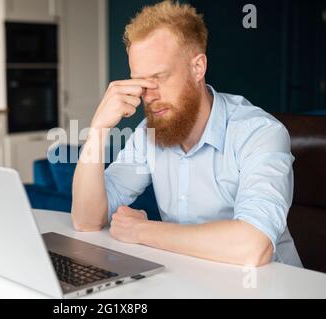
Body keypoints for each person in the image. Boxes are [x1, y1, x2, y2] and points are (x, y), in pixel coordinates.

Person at [71, 0, 302, 267]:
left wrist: (142, 231)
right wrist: (98, 130)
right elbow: (86, 220)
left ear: (198, 68)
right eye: (140, 82)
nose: (149, 95)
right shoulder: (148, 133)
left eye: (159, 77)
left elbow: (253, 246)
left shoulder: (259, 133)